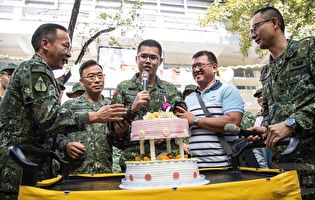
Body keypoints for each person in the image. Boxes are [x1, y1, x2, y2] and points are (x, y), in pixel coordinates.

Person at [0, 23, 127, 199]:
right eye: (65, 46)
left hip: (32, 168)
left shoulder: (43, 72)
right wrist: (94, 116)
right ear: (45, 44)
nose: (68, 53)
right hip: (18, 170)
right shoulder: (35, 69)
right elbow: (48, 118)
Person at [247, 7, 315, 199]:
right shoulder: (266, 71)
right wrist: (265, 128)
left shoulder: (308, 48)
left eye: (255, 27)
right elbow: (270, 111)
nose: (252, 34)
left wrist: (292, 123)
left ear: (274, 23)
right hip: (283, 167)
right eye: (250, 31)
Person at [111, 39, 185, 171]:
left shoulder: (171, 90)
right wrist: (132, 109)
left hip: (166, 157)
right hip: (134, 157)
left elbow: (182, 121)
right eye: (143, 56)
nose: (148, 61)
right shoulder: (123, 88)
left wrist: (165, 134)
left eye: (153, 57)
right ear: (137, 58)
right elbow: (114, 127)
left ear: (160, 62)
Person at [175, 50, 244, 168]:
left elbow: (233, 121)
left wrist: (196, 120)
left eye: (200, 65)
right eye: (193, 67)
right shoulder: (188, 99)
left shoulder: (228, 90)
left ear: (214, 67)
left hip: (225, 166)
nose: (196, 69)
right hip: (195, 168)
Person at [56, 60, 121, 174]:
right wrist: (66, 145)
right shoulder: (70, 106)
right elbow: (56, 133)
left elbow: (119, 142)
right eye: (91, 76)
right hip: (76, 173)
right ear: (81, 82)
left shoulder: (111, 106)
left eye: (100, 76)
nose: (97, 80)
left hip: (105, 172)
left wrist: (121, 133)